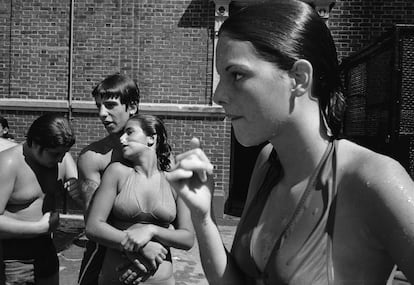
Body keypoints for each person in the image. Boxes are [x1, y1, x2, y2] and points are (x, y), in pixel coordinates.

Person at [166, 1, 414, 284]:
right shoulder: (267, 163)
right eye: (221, 76)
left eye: (236, 74)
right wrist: (204, 217)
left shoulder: (373, 179)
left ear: (299, 78)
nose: (218, 95)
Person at [77, 73, 168, 285]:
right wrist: (140, 250)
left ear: (133, 106)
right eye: (98, 106)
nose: (102, 113)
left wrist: (151, 257)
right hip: (104, 256)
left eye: (110, 105)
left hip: (156, 257)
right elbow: (95, 223)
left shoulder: (161, 155)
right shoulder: (93, 157)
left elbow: (172, 217)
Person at [86, 114, 194, 284]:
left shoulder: (175, 181)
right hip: (116, 279)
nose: (122, 139)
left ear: (151, 139)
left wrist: (152, 230)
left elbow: (188, 238)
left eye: (129, 132)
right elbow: (93, 227)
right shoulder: (117, 172)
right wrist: (143, 247)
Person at [0, 113, 76, 285]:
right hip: (13, 259)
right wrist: (38, 227)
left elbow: (80, 186)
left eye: (64, 153)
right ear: (34, 144)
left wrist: (77, 184)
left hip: (46, 253)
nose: (61, 159)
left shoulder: (59, 158)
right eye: (56, 154)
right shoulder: (8, 163)